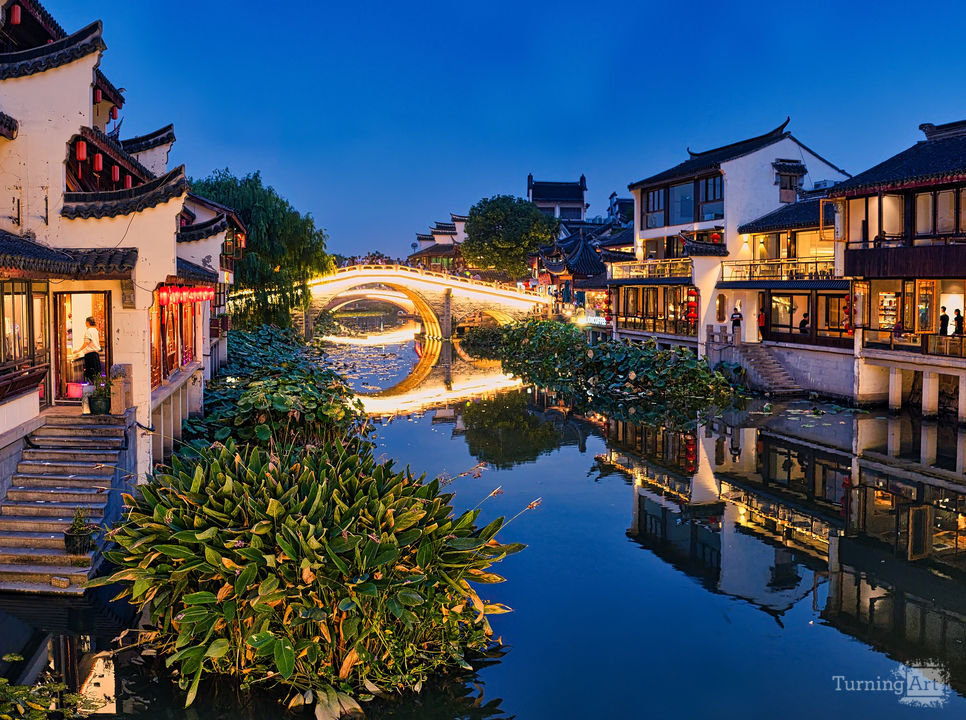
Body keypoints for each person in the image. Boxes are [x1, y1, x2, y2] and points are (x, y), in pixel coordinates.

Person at [73, 316, 101, 384]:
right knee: (96, 374)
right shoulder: (95, 330)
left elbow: (86, 343)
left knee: (90, 374)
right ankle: (96, 387)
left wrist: (78, 350)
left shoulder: (89, 331)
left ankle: (91, 387)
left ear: (87, 322)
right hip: (96, 355)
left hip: (90, 355)